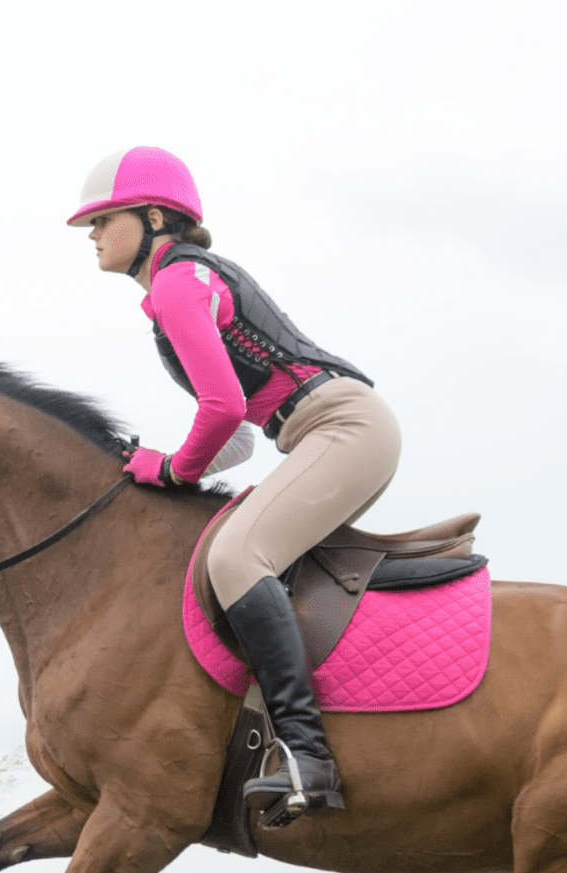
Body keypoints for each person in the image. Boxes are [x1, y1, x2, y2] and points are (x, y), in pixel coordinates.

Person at [69, 146, 401, 826]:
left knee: (233, 557)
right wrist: (166, 466)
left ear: (155, 216)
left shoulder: (176, 285)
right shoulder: (181, 288)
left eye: (103, 219)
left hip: (342, 426)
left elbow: (220, 411)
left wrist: (173, 469)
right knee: (244, 551)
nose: (93, 234)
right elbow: (242, 435)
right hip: (328, 431)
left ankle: (307, 754)